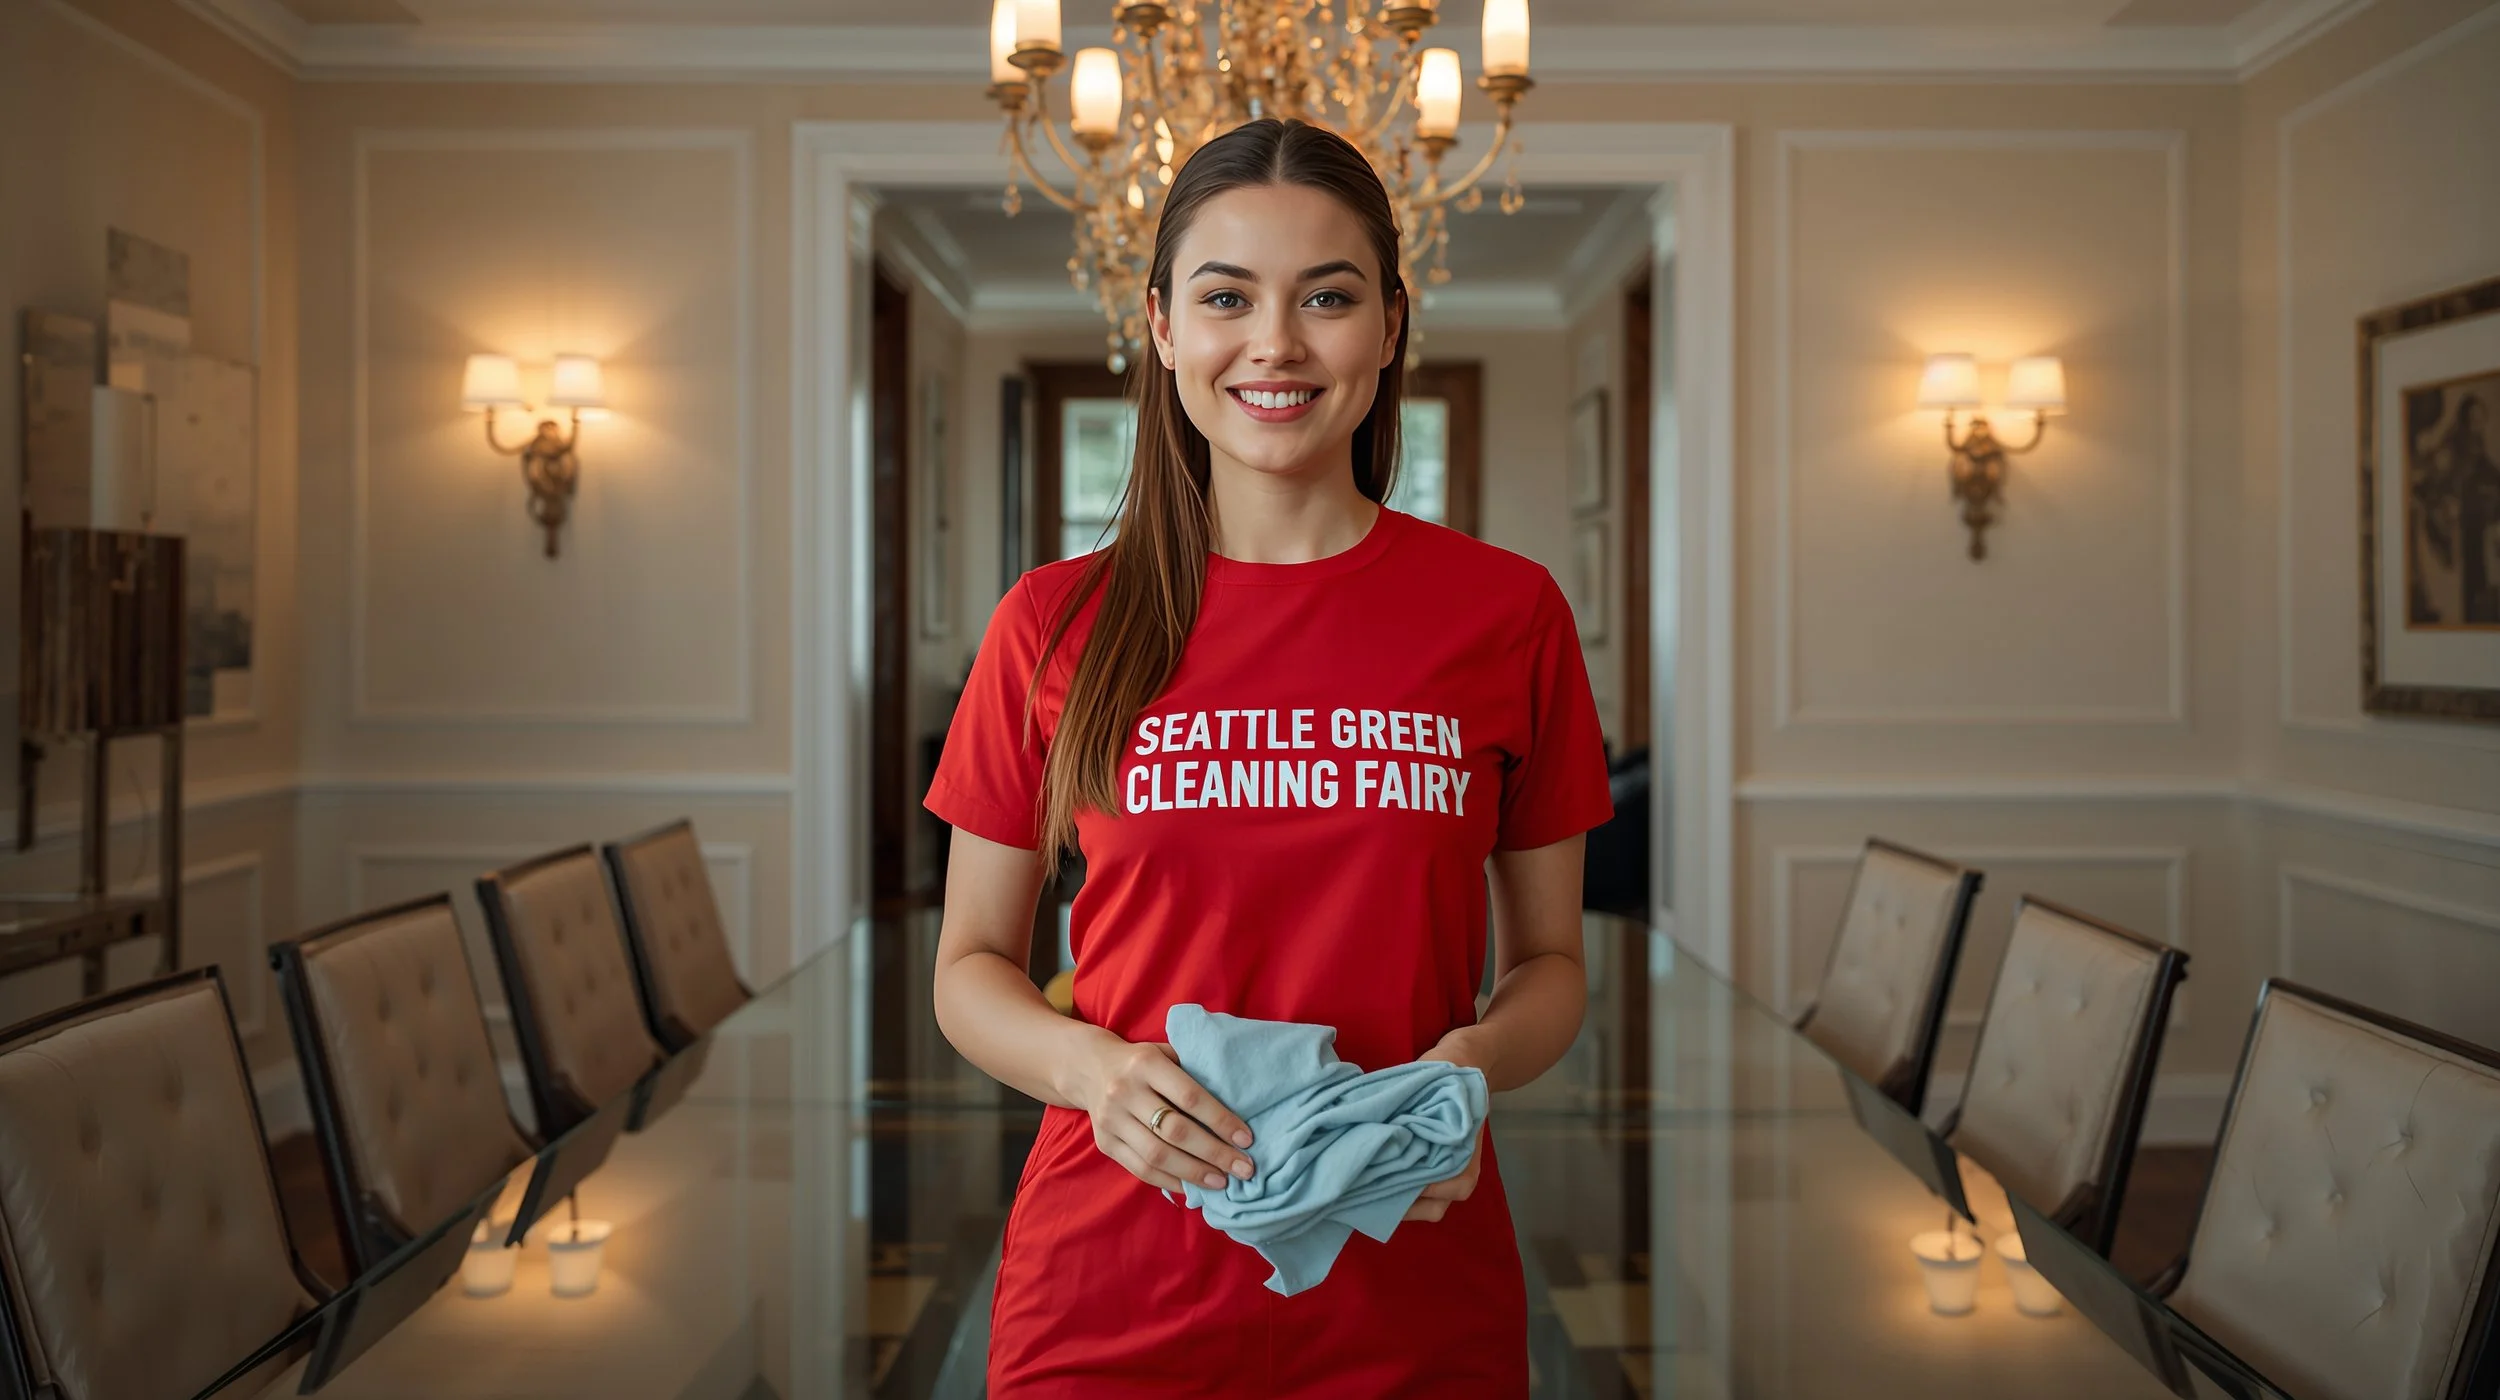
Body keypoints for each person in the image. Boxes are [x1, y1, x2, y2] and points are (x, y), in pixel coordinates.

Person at [924, 116, 1614, 1397]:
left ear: (1390, 326)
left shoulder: (1506, 614)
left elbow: (1551, 968)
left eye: (1329, 297)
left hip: (1410, 1275)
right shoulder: (1053, 619)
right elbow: (967, 966)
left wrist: (1466, 1067)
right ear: (1163, 325)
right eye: (1226, 296)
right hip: (1109, 1283)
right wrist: (1091, 1067)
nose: (1277, 343)